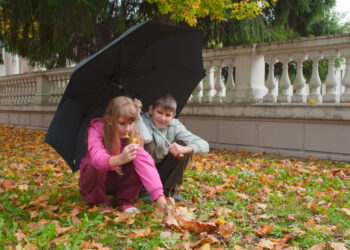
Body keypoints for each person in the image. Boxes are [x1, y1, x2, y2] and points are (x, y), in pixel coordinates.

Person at [79, 96, 167, 213]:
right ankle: (99, 202)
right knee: (92, 164)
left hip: (119, 181)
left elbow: (145, 162)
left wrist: (159, 197)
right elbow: (97, 160)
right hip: (96, 182)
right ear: (109, 120)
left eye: (131, 123)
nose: (127, 129)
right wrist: (120, 159)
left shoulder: (133, 134)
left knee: (139, 164)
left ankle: (124, 201)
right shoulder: (96, 130)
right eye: (122, 123)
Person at [135, 94, 209, 202]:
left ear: (173, 116)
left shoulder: (174, 126)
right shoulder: (142, 120)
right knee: (148, 143)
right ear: (151, 110)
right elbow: (145, 138)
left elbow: (204, 145)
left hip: (162, 169)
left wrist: (185, 149)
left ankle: (170, 190)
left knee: (184, 146)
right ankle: (145, 191)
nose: (162, 118)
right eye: (159, 112)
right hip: (144, 171)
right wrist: (137, 115)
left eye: (167, 115)